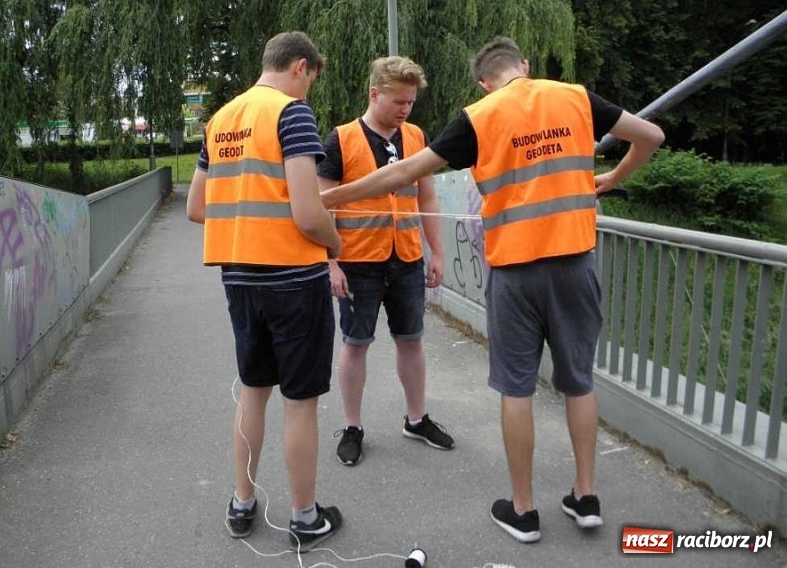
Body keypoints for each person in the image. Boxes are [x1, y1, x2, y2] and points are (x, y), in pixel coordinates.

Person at [321, 36, 665, 543]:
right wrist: (612, 176)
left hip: (516, 273)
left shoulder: (479, 117)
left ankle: (523, 511)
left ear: (484, 81)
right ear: (524, 65)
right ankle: (586, 498)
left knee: (517, 387)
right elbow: (651, 135)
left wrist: (330, 196)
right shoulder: (575, 97)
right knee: (579, 382)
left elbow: (407, 173)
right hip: (576, 263)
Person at [186, 31, 344, 551]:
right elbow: (306, 210)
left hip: (239, 276)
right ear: (300, 67)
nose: (308, 94)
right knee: (300, 402)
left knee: (253, 391)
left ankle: (241, 503)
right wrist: (334, 244)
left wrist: (245, 219)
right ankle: (304, 517)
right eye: (311, 82)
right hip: (294, 278)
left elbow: (196, 208)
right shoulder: (291, 113)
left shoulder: (221, 120)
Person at [317, 56, 454, 467]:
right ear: (374, 94)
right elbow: (322, 206)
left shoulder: (416, 136)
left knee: (411, 339)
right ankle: (353, 427)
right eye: (398, 101)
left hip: (407, 256)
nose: (405, 110)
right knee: (355, 344)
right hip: (357, 261)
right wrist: (331, 264)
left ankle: (416, 418)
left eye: (411, 102)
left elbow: (426, 197)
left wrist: (437, 252)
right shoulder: (339, 141)